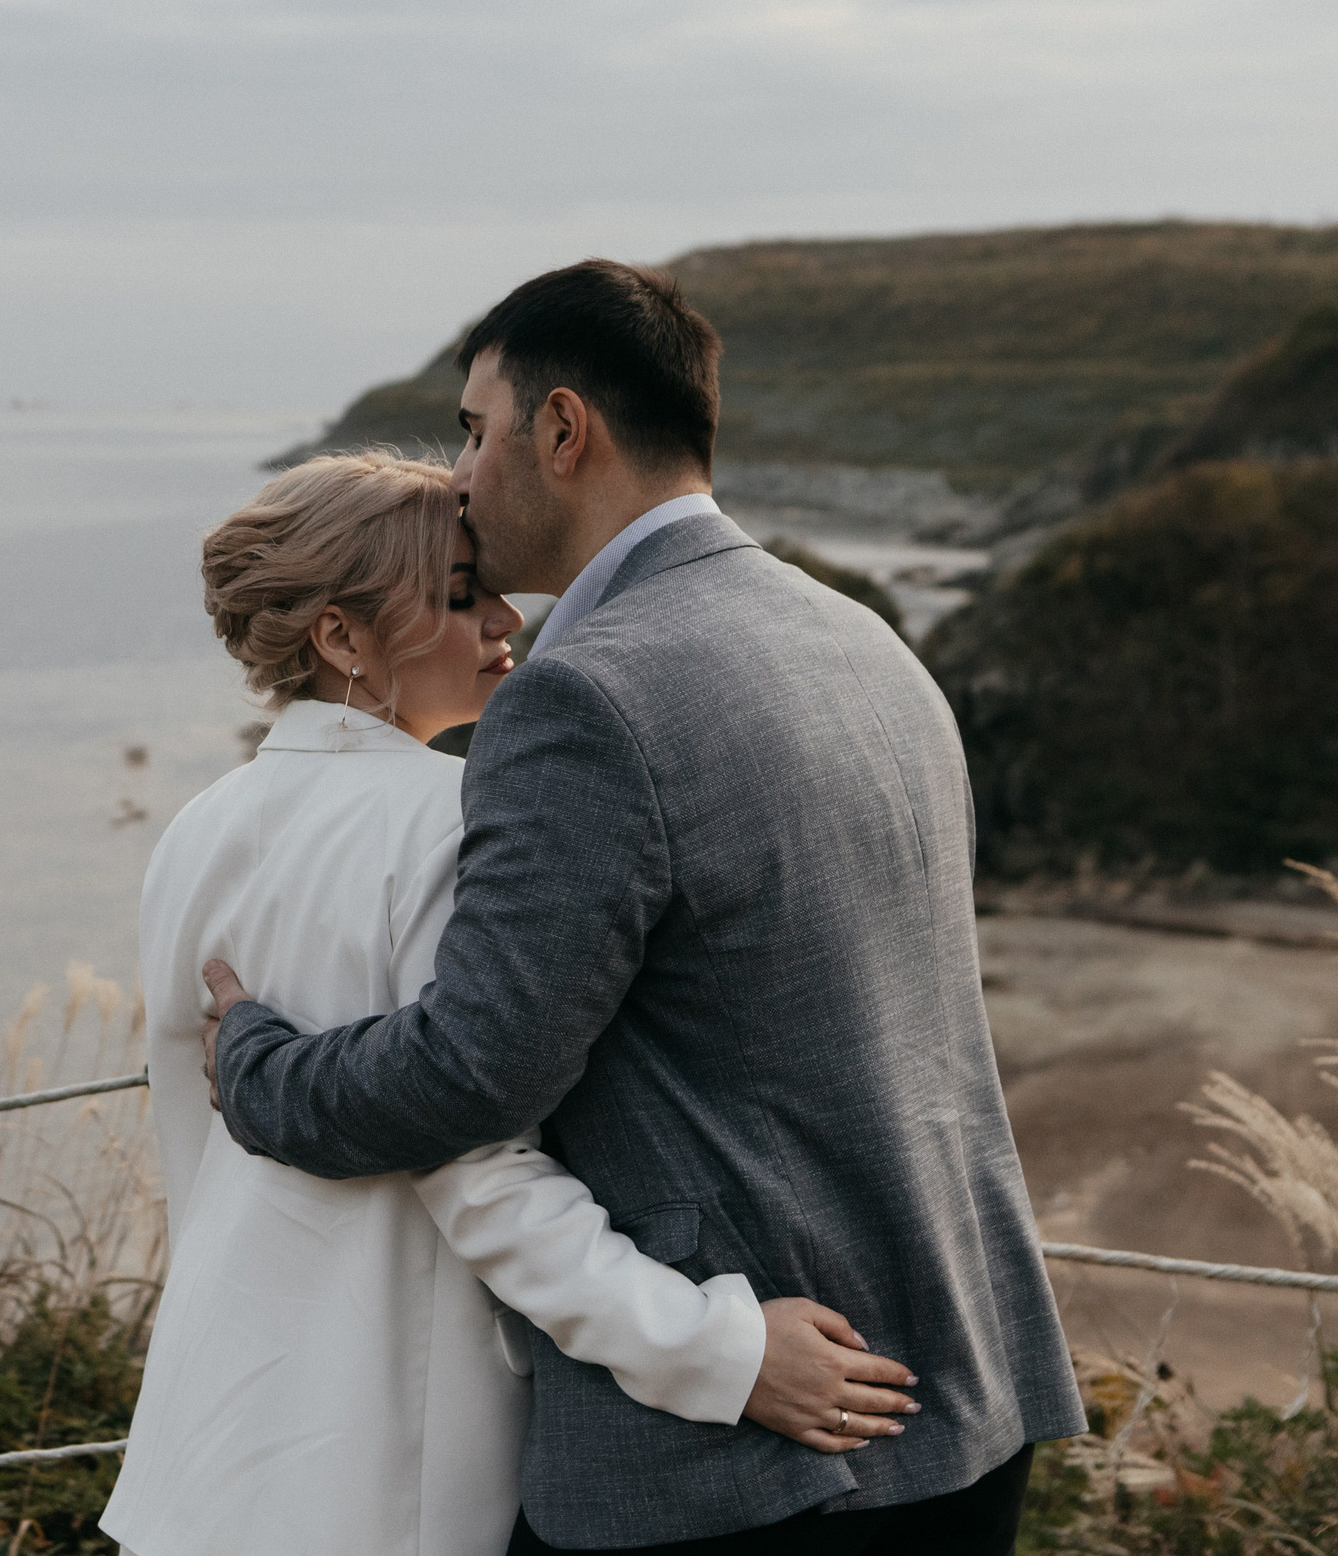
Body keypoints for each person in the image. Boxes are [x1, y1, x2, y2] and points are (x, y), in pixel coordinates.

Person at [201, 261, 1086, 1553]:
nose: (456, 473)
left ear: (562, 432)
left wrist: (257, 1064)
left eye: (472, 428)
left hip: (750, 1459)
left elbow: (469, 1073)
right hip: (963, 1389)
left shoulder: (586, 698)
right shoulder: (863, 642)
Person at [102, 452, 919, 1556]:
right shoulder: (454, 816)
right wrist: (718, 1350)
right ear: (340, 638)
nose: (505, 618)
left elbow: (191, 1140)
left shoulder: (195, 828)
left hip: (204, 1437)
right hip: (383, 1460)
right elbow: (477, 1168)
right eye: (454, 594)